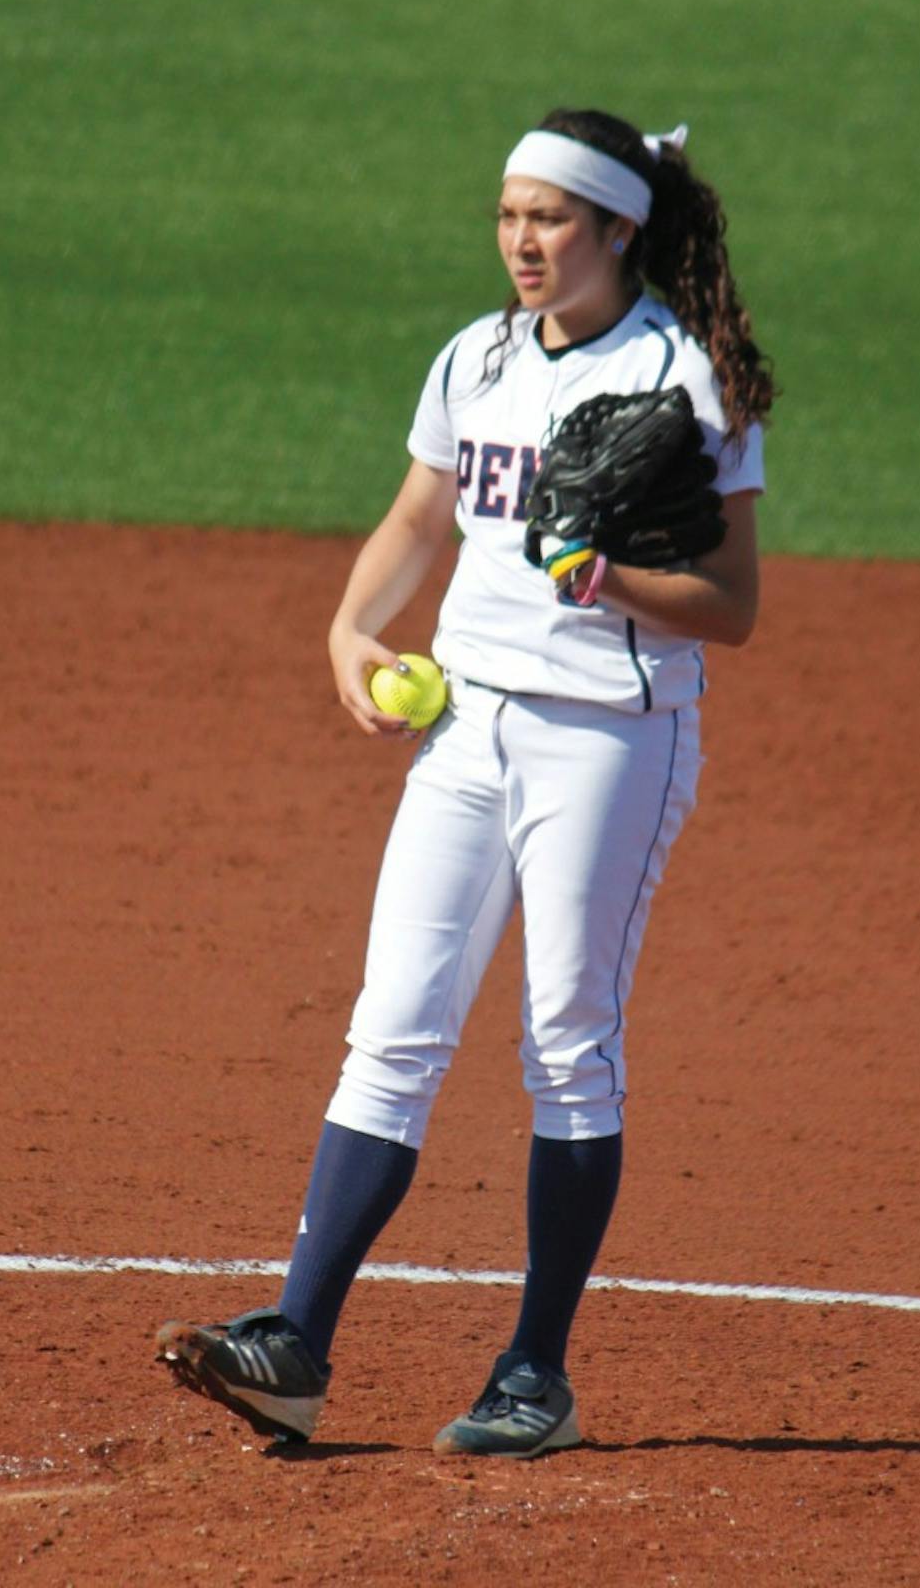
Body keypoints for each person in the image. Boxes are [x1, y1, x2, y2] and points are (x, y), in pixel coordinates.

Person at [157, 106, 774, 1458]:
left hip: (609, 734)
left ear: (621, 229)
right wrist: (349, 631)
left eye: (551, 218)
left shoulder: (686, 379)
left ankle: (534, 1377)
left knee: (567, 1042)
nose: (523, 241)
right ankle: (295, 1345)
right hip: (466, 728)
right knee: (396, 1025)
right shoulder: (478, 356)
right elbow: (419, 517)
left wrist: (604, 574)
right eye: (509, 216)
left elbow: (730, 606)